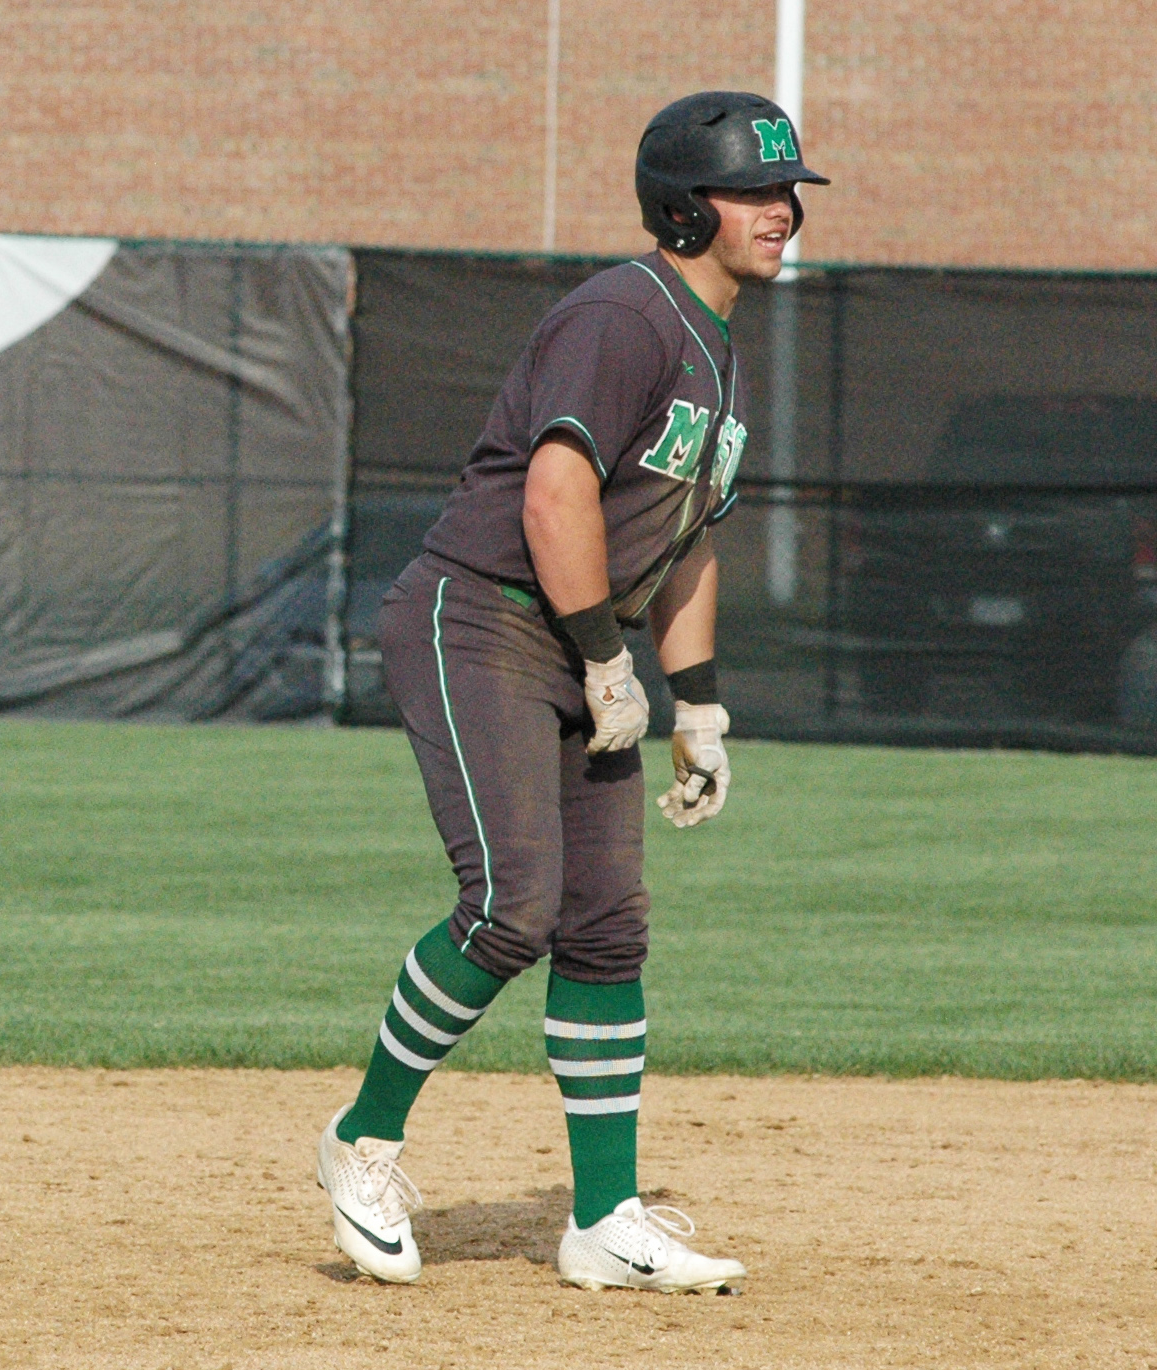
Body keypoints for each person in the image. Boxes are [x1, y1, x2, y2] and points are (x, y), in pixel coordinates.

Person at [313, 91, 826, 1289]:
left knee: (605, 925)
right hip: (482, 616)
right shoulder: (622, 314)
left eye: (786, 189)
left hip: (570, 634)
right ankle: (360, 1137)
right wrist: (605, 655)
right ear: (680, 206)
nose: (782, 211)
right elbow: (553, 496)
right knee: (512, 904)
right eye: (753, 191)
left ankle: (601, 1217)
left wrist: (694, 703)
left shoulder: (717, 343)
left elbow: (687, 538)